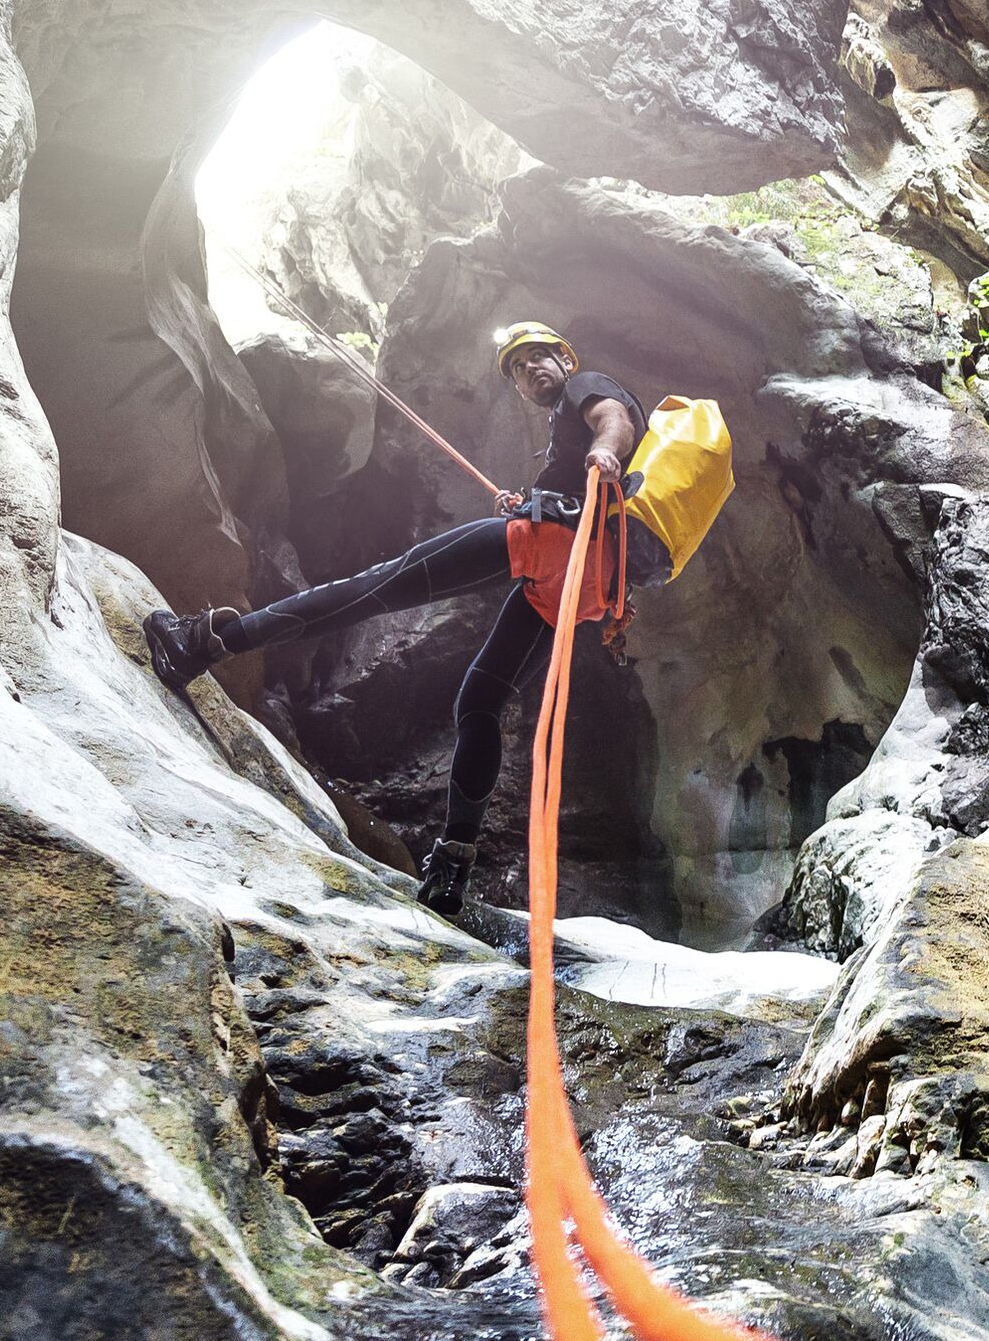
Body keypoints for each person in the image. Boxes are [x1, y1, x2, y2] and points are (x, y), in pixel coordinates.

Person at [142, 319, 665, 916]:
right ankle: (452, 871)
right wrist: (533, 497)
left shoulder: (588, 389)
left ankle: (206, 643)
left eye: (538, 359)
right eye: (519, 369)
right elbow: (582, 473)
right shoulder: (560, 434)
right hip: (581, 584)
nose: (530, 371)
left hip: (552, 553)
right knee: (480, 700)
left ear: (565, 360)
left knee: (372, 589)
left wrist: (604, 451)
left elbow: (612, 420)